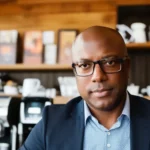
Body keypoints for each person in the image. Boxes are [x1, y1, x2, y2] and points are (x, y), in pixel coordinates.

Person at [20, 26, 150, 150]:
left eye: (110, 62)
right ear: (75, 71)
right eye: (84, 65)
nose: (98, 76)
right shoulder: (51, 123)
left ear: (126, 67)